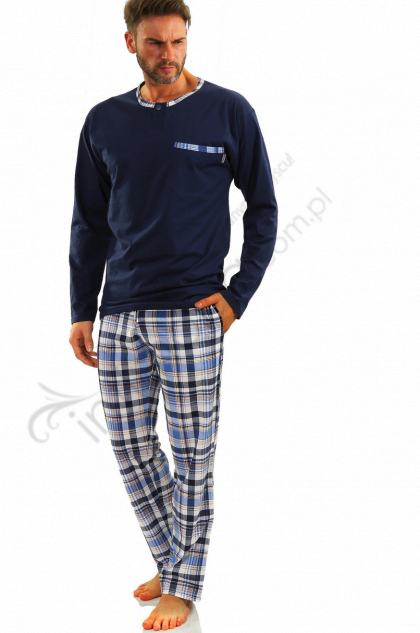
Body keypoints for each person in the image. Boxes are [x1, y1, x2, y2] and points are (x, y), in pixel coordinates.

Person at [68, 0, 278, 629]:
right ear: (130, 42)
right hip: (119, 313)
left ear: (188, 39)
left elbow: (264, 207)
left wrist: (237, 296)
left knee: (192, 455)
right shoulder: (103, 121)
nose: (169, 54)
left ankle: (183, 587)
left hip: (193, 311)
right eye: (155, 42)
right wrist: (82, 310)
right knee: (131, 447)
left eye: (178, 41)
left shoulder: (228, 110)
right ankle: (174, 559)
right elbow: (88, 224)